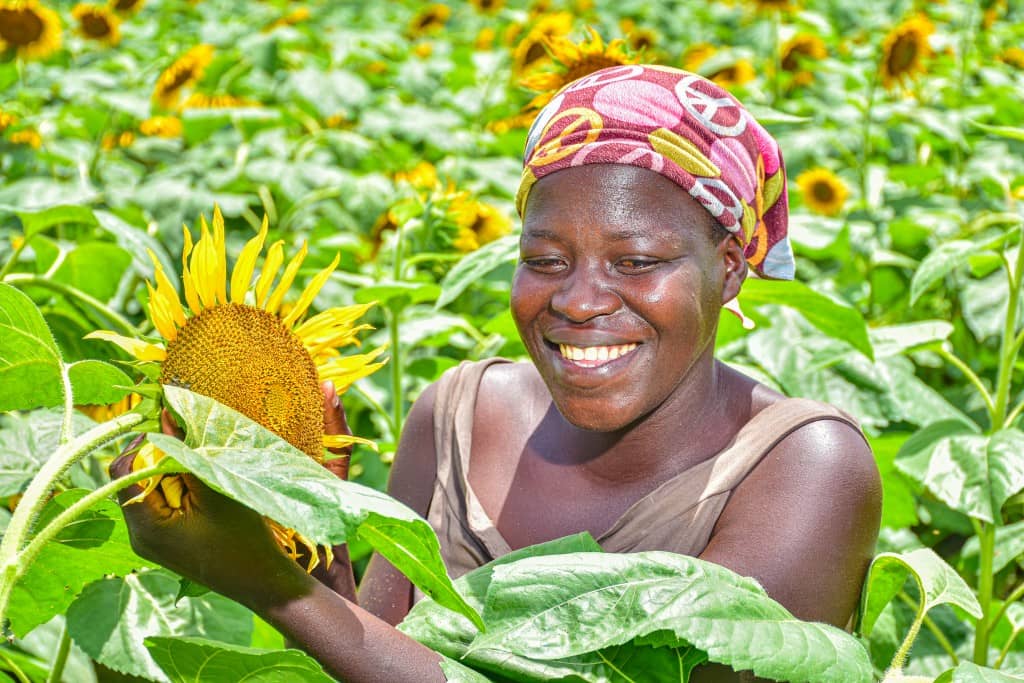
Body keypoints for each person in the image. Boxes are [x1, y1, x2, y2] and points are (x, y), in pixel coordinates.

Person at [112, 64, 881, 682]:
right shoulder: (454, 414)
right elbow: (370, 651)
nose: (578, 300)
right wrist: (311, 536)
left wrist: (269, 585)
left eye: (637, 261)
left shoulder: (806, 466)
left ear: (731, 266)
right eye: (545, 260)